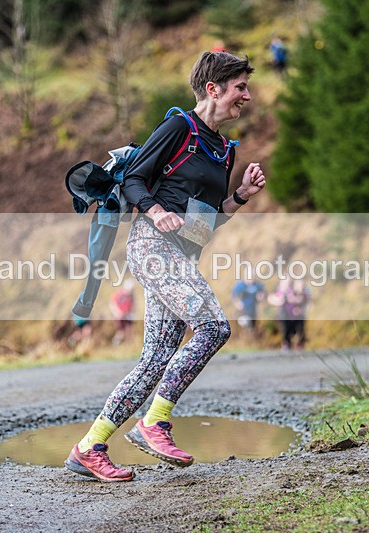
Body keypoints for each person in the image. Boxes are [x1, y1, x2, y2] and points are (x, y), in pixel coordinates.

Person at [64, 50, 267, 482]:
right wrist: (156, 212)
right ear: (213, 89)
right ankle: (155, 421)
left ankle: (89, 447)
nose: (247, 96)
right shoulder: (180, 127)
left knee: (155, 358)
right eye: (240, 87)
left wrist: (241, 196)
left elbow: (207, 219)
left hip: (182, 253)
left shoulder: (224, 150)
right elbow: (135, 177)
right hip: (151, 245)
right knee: (214, 326)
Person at [268, 278, 310, 351]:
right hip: (283, 315)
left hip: (294, 316)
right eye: (284, 282)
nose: (286, 284)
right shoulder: (278, 290)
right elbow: (271, 298)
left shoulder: (292, 290)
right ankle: (286, 345)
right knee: (286, 330)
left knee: (298, 330)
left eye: (288, 282)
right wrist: (278, 300)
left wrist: (295, 302)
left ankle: (298, 345)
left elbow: (300, 299)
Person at [109, 279, 136, 345]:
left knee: (129, 331)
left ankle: (128, 346)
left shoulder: (131, 296)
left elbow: (133, 306)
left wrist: (132, 312)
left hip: (128, 315)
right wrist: (117, 312)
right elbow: (112, 303)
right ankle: (115, 345)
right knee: (121, 333)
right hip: (120, 316)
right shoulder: (120, 294)